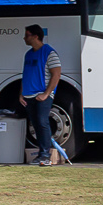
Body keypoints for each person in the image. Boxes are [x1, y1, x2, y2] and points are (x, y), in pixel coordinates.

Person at [21, 24, 65, 167]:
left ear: (36, 36)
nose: (24, 38)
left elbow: (56, 74)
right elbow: (25, 75)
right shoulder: (28, 54)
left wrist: (46, 94)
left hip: (42, 95)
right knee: (36, 125)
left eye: (27, 35)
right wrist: (21, 93)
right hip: (28, 96)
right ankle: (41, 153)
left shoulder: (49, 53)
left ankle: (46, 154)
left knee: (42, 122)